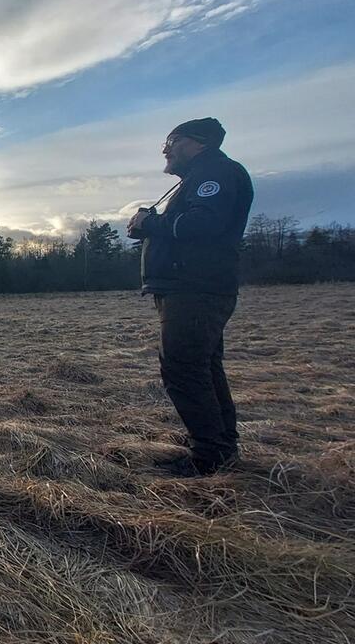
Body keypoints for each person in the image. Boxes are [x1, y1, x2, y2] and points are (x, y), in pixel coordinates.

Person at [128, 117, 253, 477]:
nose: (165, 150)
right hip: (189, 287)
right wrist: (149, 228)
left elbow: (203, 225)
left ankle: (209, 456)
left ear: (199, 143)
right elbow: (192, 225)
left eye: (172, 141)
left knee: (183, 368)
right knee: (203, 367)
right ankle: (219, 446)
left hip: (195, 289)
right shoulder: (199, 177)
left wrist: (151, 224)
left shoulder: (217, 173)